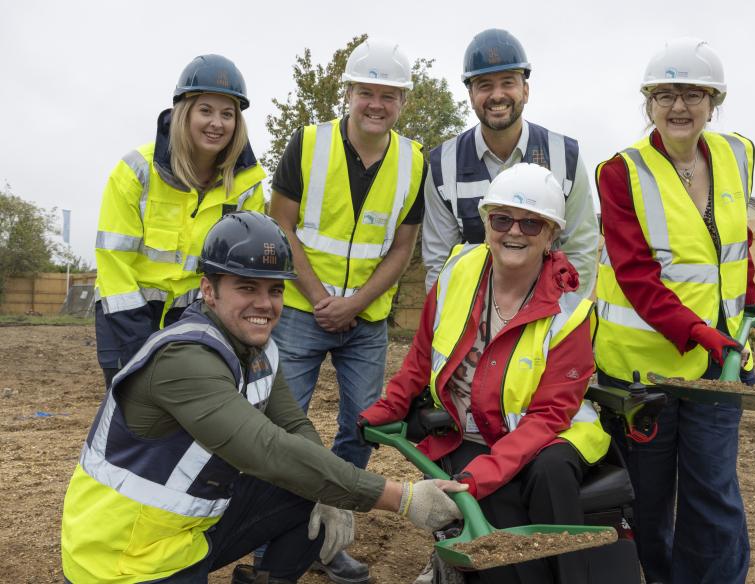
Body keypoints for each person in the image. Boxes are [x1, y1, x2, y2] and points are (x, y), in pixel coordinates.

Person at [61, 211, 465, 584]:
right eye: (246, 287)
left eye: (275, 290)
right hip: (123, 558)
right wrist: (403, 497)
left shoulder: (255, 348)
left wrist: (331, 492)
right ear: (209, 290)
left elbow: (293, 426)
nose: (265, 304)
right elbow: (267, 450)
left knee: (308, 485)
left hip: (184, 536)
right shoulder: (184, 358)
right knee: (299, 472)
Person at [360, 164, 612, 584]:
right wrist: (388, 407)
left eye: (532, 222)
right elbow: (422, 353)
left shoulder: (570, 312)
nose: (515, 231)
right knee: (495, 529)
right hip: (472, 430)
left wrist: (482, 475)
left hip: (548, 434)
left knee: (546, 477)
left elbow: (550, 415)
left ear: (551, 235)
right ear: (486, 222)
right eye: (502, 218)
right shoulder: (459, 271)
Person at [593, 38, 755, 584]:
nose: (678, 106)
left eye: (692, 93)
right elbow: (637, 276)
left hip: (720, 366)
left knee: (713, 493)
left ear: (713, 100)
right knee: (649, 503)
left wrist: (752, 305)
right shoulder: (620, 173)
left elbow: (733, 243)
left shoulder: (737, 154)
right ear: (648, 101)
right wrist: (700, 332)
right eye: (665, 93)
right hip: (644, 371)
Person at [268, 38, 426, 584]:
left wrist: (355, 303)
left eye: (389, 95)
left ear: (403, 101)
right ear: (349, 93)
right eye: (366, 92)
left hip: (366, 322)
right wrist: (319, 299)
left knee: (361, 428)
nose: (376, 104)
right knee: (281, 427)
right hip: (298, 312)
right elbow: (281, 225)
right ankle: (275, 541)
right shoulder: (308, 144)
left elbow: (402, 247)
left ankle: (327, 530)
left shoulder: (413, 161)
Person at [93, 54, 266, 387]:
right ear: (184, 112)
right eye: (206, 110)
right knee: (138, 424)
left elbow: (241, 270)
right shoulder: (136, 171)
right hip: (126, 317)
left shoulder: (246, 186)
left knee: (192, 422)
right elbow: (113, 262)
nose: (217, 123)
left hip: (199, 322)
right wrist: (142, 345)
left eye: (227, 114)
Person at [422, 29, 598, 298]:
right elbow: (440, 264)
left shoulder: (565, 156)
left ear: (525, 90)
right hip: (470, 324)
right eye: (484, 85)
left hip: (546, 321)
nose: (497, 95)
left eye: (508, 82)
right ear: (470, 95)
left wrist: (562, 323)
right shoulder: (442, 165)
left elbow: (580, 251)